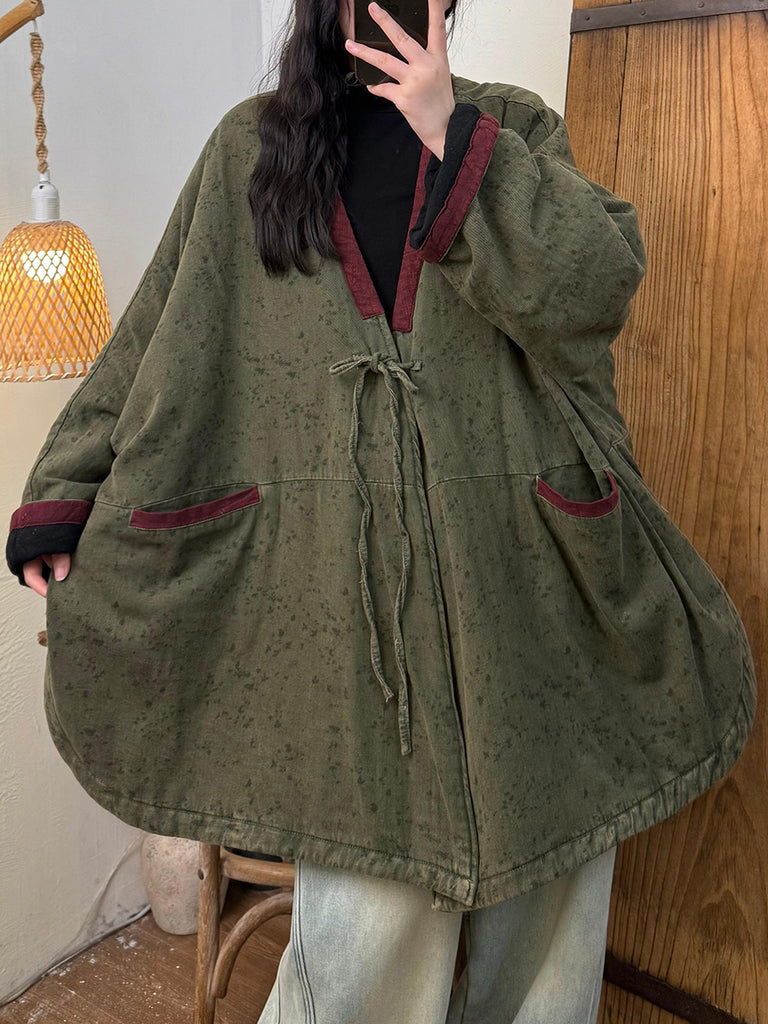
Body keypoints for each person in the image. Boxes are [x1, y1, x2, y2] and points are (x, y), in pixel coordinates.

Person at [5, 0, 756, 1020]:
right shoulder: (249, 152)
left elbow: (596, 287)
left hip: (534, 597)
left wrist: (453, 136)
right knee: (361, 953)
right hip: (347, 629)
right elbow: (158, 337)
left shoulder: (511, 125)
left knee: (546, 939)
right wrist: (65, 485)